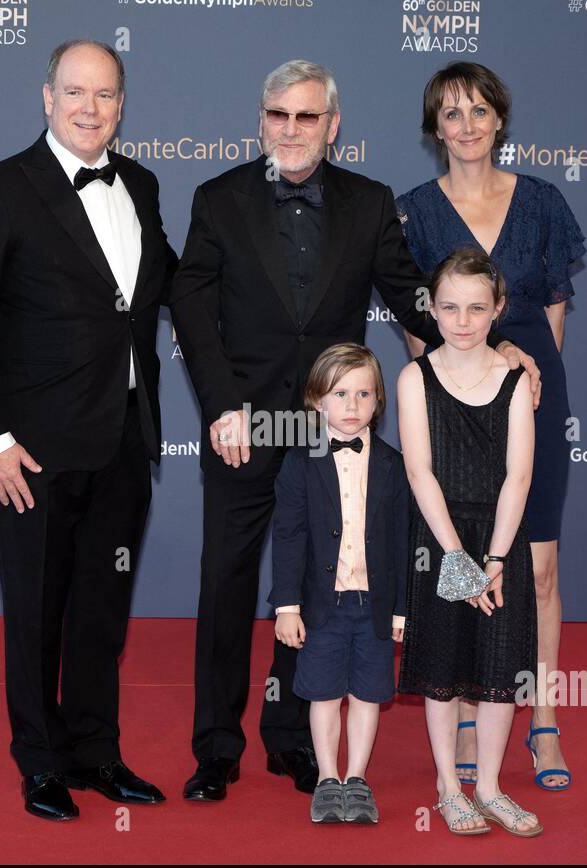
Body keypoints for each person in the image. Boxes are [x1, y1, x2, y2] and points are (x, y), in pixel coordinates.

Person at [170, 58, 541, 801]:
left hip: (328, 431)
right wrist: (221, 405)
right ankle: (215, 750)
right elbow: (189, 302)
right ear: (262, 119)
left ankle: (292, 742)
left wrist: (486, 342)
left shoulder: (369, 203)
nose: (293, 129)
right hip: (247, 424)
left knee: (310, 584)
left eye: (308, 116)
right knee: (227, 585)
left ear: (332, 125)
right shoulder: (218, 198)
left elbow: (413, 299)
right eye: (279, 115)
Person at [0, 39, 177, 821]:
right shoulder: (1, 190)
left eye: (105, 95)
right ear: (47, 98)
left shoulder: (140, 183)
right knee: (37, 613)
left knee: (101, 613)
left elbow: (171, 283)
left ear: (121, 105)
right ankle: (39, 763)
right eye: (74, 92)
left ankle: (96, 753)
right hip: (32, 451)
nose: (88, 108)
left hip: (123, 440)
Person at [395, 61, 584, 791]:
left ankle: (542, 721)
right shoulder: (412, 211)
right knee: (464, 564)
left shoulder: (541, 202)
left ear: (499, 119)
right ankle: (469, 711)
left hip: (530, 397)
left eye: (479, 111)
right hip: (448, 403)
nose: (467, 125)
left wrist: (522, 389)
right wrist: (470, 377)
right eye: (451, 113)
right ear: (433, 127)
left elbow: (554, 315)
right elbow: (419, 323)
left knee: (536, 568)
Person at [396, 247, 541, 837]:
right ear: (431, 308)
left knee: (501, 667)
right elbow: (419, 471)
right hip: (441, 540)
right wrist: (457, 560)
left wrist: (497, 560)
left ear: (497, 309)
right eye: (450, 307)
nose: (461, 320)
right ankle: (448, 788)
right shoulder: (415, 377)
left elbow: (519, 475)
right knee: (442, 665)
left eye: (476, 308)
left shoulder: (514, 380)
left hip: (501, 539)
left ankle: (490, 786)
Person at [267, 344, 410, 824]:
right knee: (324, 693)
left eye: (364, 394)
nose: (352, 406)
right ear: (316, 401)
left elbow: (402, 540)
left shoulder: (393, 464)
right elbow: (287, 534)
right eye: (340, 393)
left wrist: (401, 610)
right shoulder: (299, 460)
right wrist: (287, 605)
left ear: (378, 401)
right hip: (321, 603)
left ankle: (357, 778)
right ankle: (328, 778)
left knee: (369, 694)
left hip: (375, 603)